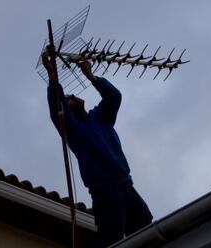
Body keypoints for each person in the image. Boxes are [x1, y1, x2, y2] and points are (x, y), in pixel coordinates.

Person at [42, 51, 153, 247]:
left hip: (126, 184)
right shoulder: (74, 130)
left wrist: (91, 76)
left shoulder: (100, 116)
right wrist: (53, 78)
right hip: (106, 192)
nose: (73, 96)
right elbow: (57, 111)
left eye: (72, 95)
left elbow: (114, 96)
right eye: (68, 98)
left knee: (144, 224)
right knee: (112, 240)